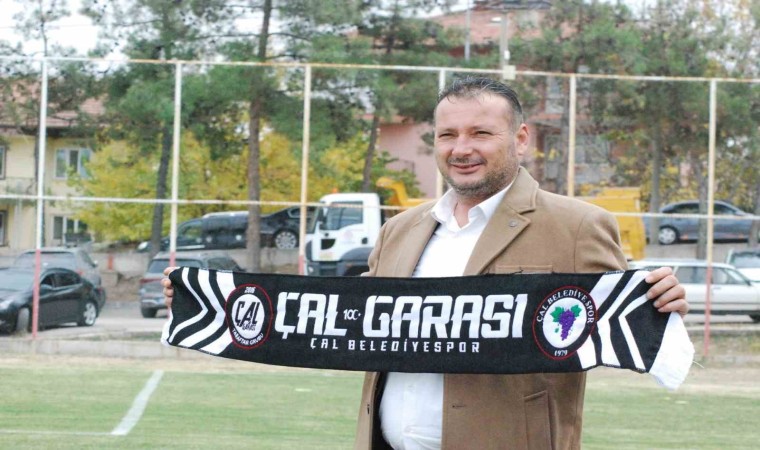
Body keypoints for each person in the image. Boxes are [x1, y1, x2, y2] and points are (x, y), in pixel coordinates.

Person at [163, 76, 688, 450]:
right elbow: (348, 318)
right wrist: (208, 301)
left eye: (481, 133)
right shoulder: (401, 228)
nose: (462, 148)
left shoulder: (578, 225)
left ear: (520, 139)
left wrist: (659, 303)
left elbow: (617, 315)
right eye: (447, 135)